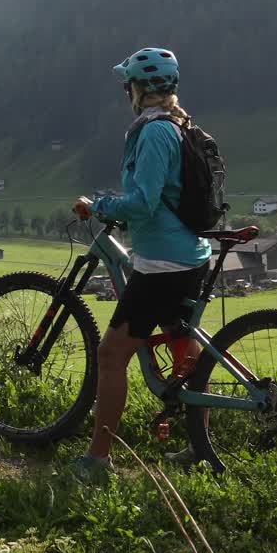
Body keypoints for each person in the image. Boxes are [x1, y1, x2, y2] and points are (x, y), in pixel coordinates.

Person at [69, 47, 212, 479]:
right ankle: (201, 448)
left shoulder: (153, 133)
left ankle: (97, 460)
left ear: (140, 88)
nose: (125, 89)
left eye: (127, 83)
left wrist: (99, 206)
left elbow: (146, 202)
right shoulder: (178, 124)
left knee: (111, 355)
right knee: (185, 348)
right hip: (190, 254)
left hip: (164, 264)